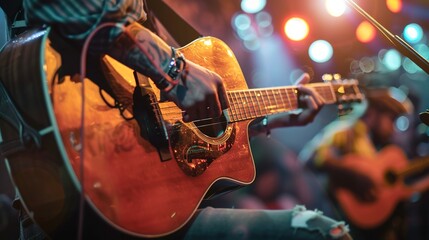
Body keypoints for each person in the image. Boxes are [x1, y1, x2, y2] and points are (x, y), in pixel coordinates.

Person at [3, 0, 353, 239]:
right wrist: (175, 72)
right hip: (84, 202)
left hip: (150, 209)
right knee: (317, 231)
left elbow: (176, 120)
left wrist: (270, 121)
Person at [300, 86, 414, 240]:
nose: (392, 129)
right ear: (374, 111)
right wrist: (353, 175)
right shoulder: (345, 131)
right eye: (391, 119)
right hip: (339, 223)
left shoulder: (375, 144)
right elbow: (310, 158)